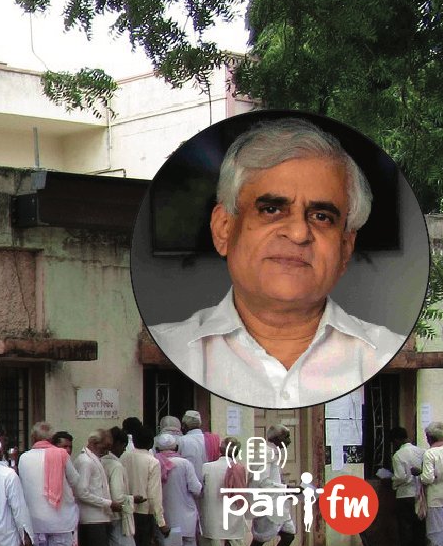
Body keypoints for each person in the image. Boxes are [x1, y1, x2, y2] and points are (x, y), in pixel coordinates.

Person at [149, 117, 402, 409]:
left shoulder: (384, 353)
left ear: (345, 248)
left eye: (322, 217)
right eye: (271, 210)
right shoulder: (173, 349)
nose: (298, 234)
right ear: (223, 229)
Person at [16, 422, 87, 546]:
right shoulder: (62, 455)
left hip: (34, 521)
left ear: (32, 439)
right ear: (52, 438)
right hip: (60, 520)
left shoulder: (24, 458)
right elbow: (76, 481)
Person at [72, 429, 122, 546]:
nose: (107, 451)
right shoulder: (85, 462)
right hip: (92, 519)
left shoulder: (93, 460)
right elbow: (82, 492)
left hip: (99, 517)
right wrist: (108, 503)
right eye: (105, 447)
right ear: (94, 443)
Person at [244, 424, 298, 546]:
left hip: (277, 502)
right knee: (260, 539)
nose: (288, 441)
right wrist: (286, 488)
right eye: (285, 437)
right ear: (276, 439)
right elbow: (262, 481)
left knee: (288, 534)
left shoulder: (273, 453)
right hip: (266, 502)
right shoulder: (265, 453)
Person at [197, 438, 250, 546]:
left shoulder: (207, 467)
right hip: (233, 514)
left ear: (220, 450)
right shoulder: (240, 468)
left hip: (211, 515)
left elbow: (200, 490)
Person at [154, 432, 204, 546]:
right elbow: (196, 488)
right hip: (185, 519)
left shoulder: (156, 463)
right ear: (176, 447)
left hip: (165, 520)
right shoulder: (184, 464)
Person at [120, 425, 166, 546]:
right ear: (150, 442)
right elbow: (154, 494)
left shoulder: (124, 457)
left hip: (125, 510)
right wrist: (161, 521)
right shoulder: (152, 461)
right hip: (143, 513)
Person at [102, 427, 139, 546]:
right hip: (117, 517)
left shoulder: (100, 461)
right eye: (123, 446)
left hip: (103, 517)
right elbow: (117, 496)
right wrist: (133, 499)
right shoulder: (115, 466)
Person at [388, 427, 427, 546]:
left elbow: (400, 477)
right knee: (419, 527)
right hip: (420, 494)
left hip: (404, 495)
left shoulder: (398, 455)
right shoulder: (421, 451)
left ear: (397, 440)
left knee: (406, 528)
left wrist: (392, 481)